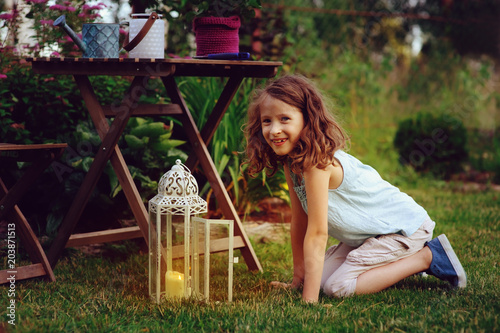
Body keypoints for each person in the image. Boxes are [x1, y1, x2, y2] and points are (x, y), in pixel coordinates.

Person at [244, 74, 466, 303]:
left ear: (306, 119)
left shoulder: (317, 164)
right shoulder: (292, 162)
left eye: (284, 119)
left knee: (336, 288)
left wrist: (308, 300)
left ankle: (428, 256)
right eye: (267, 121)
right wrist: (298, 280)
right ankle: (395, 262)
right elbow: (300, 220)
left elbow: (318, 233)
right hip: (368, 234)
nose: (274, 130)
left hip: (402, 229)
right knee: (318, 280)